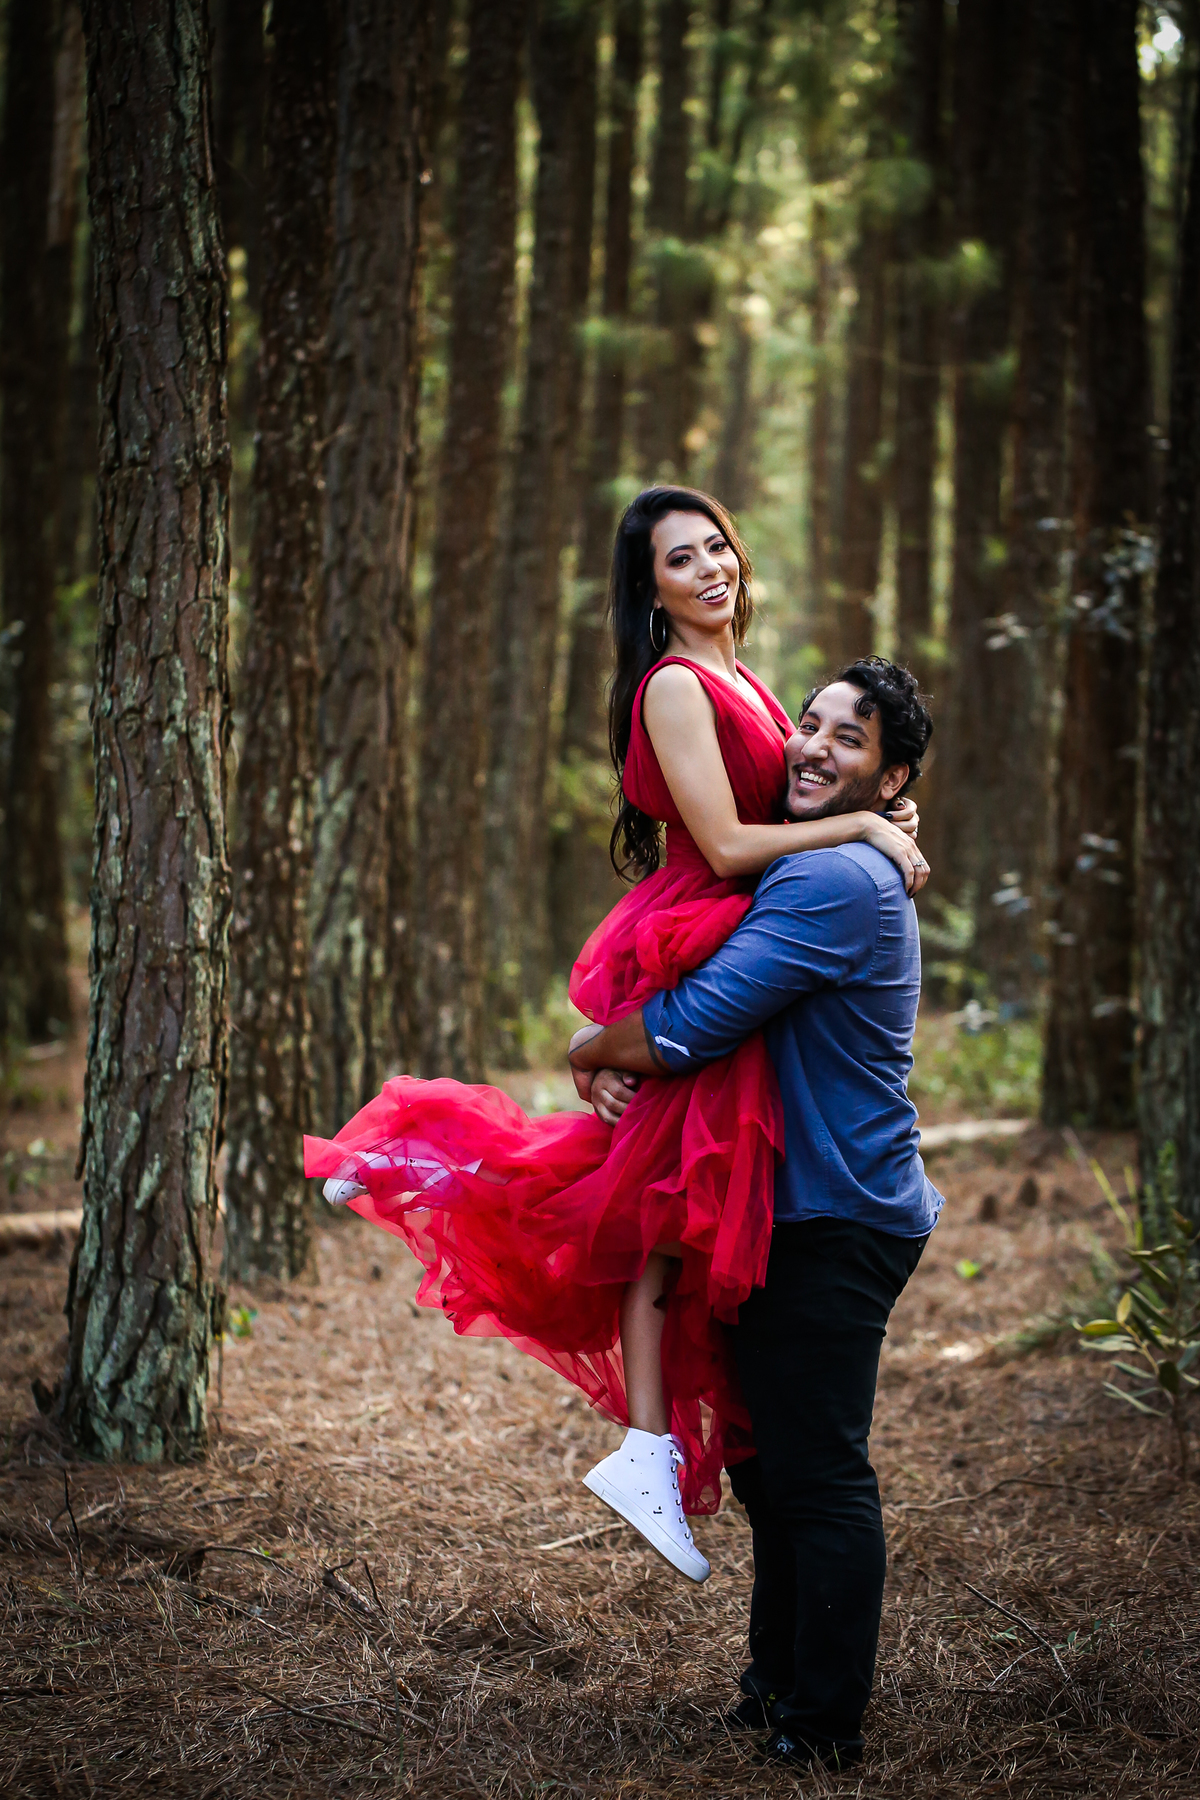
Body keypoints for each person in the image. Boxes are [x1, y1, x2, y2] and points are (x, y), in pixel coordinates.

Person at [304, 486, 926, 1583]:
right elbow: (735, 843)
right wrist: (870, 820)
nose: (711, 569)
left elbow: (790, 804)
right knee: (655, 1194)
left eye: (718, 546)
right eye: (681, 560)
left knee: (656, 1191)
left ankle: (641, 1434)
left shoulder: (749, 679)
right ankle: (428, 1159)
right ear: (650, 589)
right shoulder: (679, 685)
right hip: (703, 921)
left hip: (741, 925)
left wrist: (881, 806)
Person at [567, 657, 943, 1771]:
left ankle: (823, 1727)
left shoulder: (838, 885)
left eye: (849, 741)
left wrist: (588, 1044)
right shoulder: (825, 854)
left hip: (835, 1213)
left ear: (893, 776)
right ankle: (773, 1684)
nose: (814, 748)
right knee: (767, 1467)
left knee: (818, 1472)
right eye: (810, 724)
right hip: (781, 1209)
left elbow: (693, 1025)